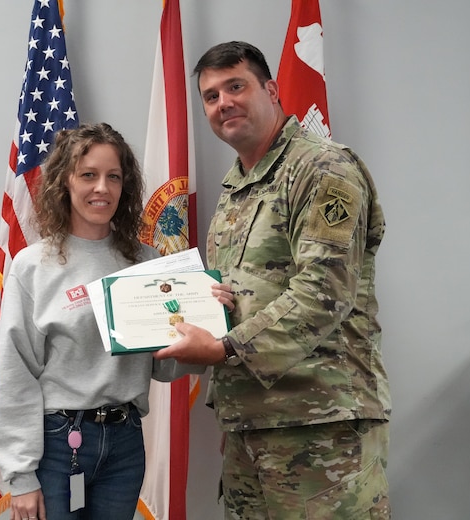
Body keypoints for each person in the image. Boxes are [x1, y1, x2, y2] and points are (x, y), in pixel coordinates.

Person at [154, 42, 392, 519]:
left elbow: (324, 293)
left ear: (271, 89)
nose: (223, 103)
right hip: (250, 426)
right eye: (210, 96)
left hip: (321, 428)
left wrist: (224, 350)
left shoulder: (322, 168)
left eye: (235, 86)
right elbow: (244, 294)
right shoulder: (236, 188)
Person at [0, 122, 233, 520]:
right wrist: (21, 477)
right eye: (89, 175)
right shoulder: (34, 266)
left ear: (125, 186)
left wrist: (210, 321)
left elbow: (165, 364)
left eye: (113, 177)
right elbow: (16, 372)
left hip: (125, 441)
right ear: (65, 182)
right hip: (57, 444)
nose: (102, 188)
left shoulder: (146, 262)